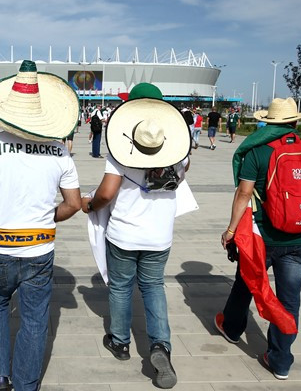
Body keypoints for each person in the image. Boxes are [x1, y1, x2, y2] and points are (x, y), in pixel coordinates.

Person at [0, 60, 82, 391]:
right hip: (39, 251)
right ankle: (27, 383)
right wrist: (45, 218)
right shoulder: (59, 151)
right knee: (34, 319)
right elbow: (74, 203)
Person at [82, 83, 191, 389]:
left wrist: (88, 204)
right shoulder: (179, 154)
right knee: (154, 288)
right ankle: (160, 347)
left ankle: (119, 342)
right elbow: (182, 175)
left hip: (124, 235)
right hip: (159, 236)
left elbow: (106, 194)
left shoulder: (120, 150)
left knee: (120, 288)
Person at [216, 97, 301, 380]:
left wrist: (230, 231)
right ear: (296, 122)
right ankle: (280, 360)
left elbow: (243, 193)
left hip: (263, 237)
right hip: (300, 238)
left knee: (246, 282)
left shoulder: (257, 152)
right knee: (290, 300)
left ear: (268, 122)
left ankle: (231, 328)